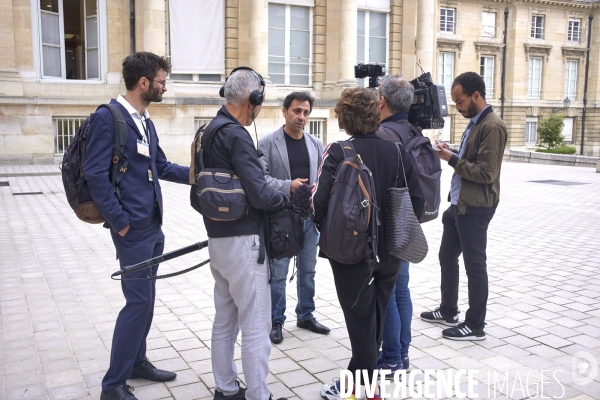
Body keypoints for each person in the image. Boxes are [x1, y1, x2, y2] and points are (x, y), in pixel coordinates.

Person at [83, 52, 190, 400]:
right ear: (143, 83)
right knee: (137, 303)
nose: (164, 87)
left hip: (152, 226)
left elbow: (161, 165)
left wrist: (201, 176)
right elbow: (95, 173)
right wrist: (121, 223)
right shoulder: (108, 118)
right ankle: (113, 385)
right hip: (132, 230)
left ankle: (137, 362)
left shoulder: (145, 120)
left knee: (146, 300)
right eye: (161, 81)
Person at [314, 87, 424, 400]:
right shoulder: (397, 149)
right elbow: (416, 198)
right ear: (376, 112)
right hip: (391, 252)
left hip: (351, 253)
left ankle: (370, 391)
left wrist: (331, 228)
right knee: (373, 319)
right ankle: (354, 384)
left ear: (344, 117)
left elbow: (318, 203)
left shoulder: (338, 150)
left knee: (361, 323)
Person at [204, 67, 287, 400]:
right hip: (244, 242)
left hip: (219, 239)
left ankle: (225, 390)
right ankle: (259, 396)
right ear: (252, 98)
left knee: (225, 320)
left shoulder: (209, 129)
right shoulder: (236, 134)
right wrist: (288, 196)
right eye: (260, 101)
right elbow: (260, 194)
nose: (260, 108)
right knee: (255, 326)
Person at [420, 72, 507, 341]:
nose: (456, 108)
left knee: (475, 266)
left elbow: (486, 173)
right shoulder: (476, 122)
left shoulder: (492, 126)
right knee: (447, 257)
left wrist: (450, 159)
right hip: (458, 204)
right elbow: (471, 158)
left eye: (459, 102)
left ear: (476, 96)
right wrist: (453, 152)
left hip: (476, 207)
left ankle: (475, 325)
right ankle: (448, 310)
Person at [258, 91, 330, 345]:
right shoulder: (268, 142)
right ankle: (276, 320)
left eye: (306, 112)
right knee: (278, 272)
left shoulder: (316, 143)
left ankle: (306, 314)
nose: (301, 116)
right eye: (297, 111)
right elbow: (261, 179)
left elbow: (322, 177)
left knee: (308, 270)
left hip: (308, 217)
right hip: (281, 218)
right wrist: (288, 185)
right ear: (285, 112)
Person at [374, 75, 418, 376]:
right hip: (408, 220)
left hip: (388, 224)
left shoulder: (384, 134)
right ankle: (402, 355)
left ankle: (390, 357)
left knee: (386, 290)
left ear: (382, 102)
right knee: (401, 289)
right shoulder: (413, 130)